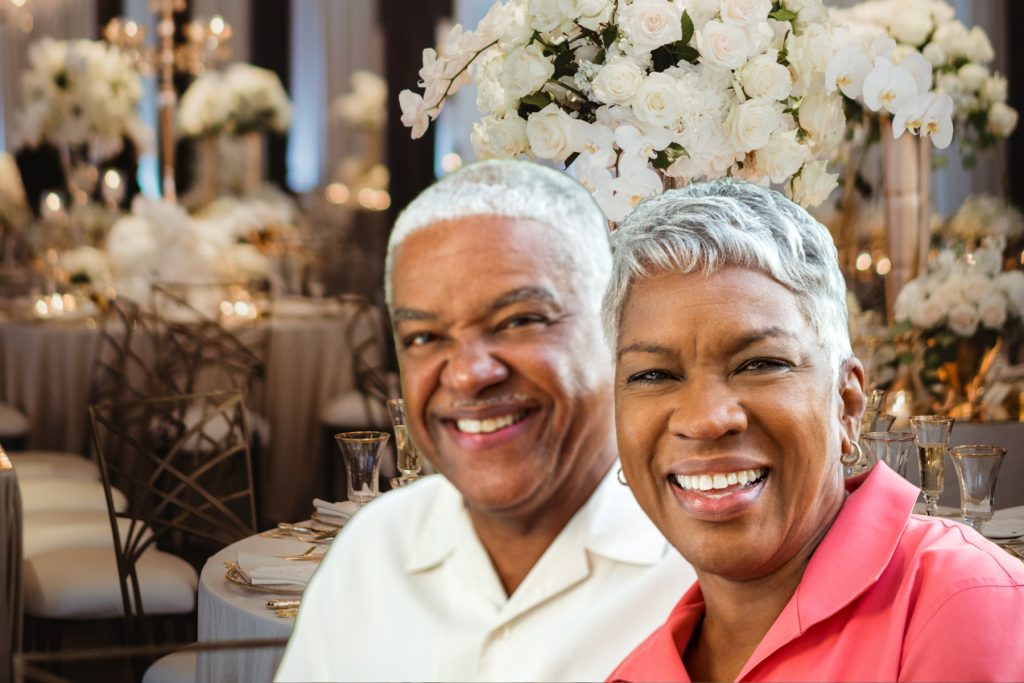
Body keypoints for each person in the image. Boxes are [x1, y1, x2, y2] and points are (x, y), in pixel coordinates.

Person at [275, 160, 695, 682]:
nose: (470, 374)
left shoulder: (699, 565)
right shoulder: (375, 549)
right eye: (424, 337)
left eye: (519, 320)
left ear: (615, 327)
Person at [603, 179, 1024, 682]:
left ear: (847, 406)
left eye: (760, 364)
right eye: (653, 375)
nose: (706, 419)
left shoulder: (959, 600)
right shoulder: (633, 674)